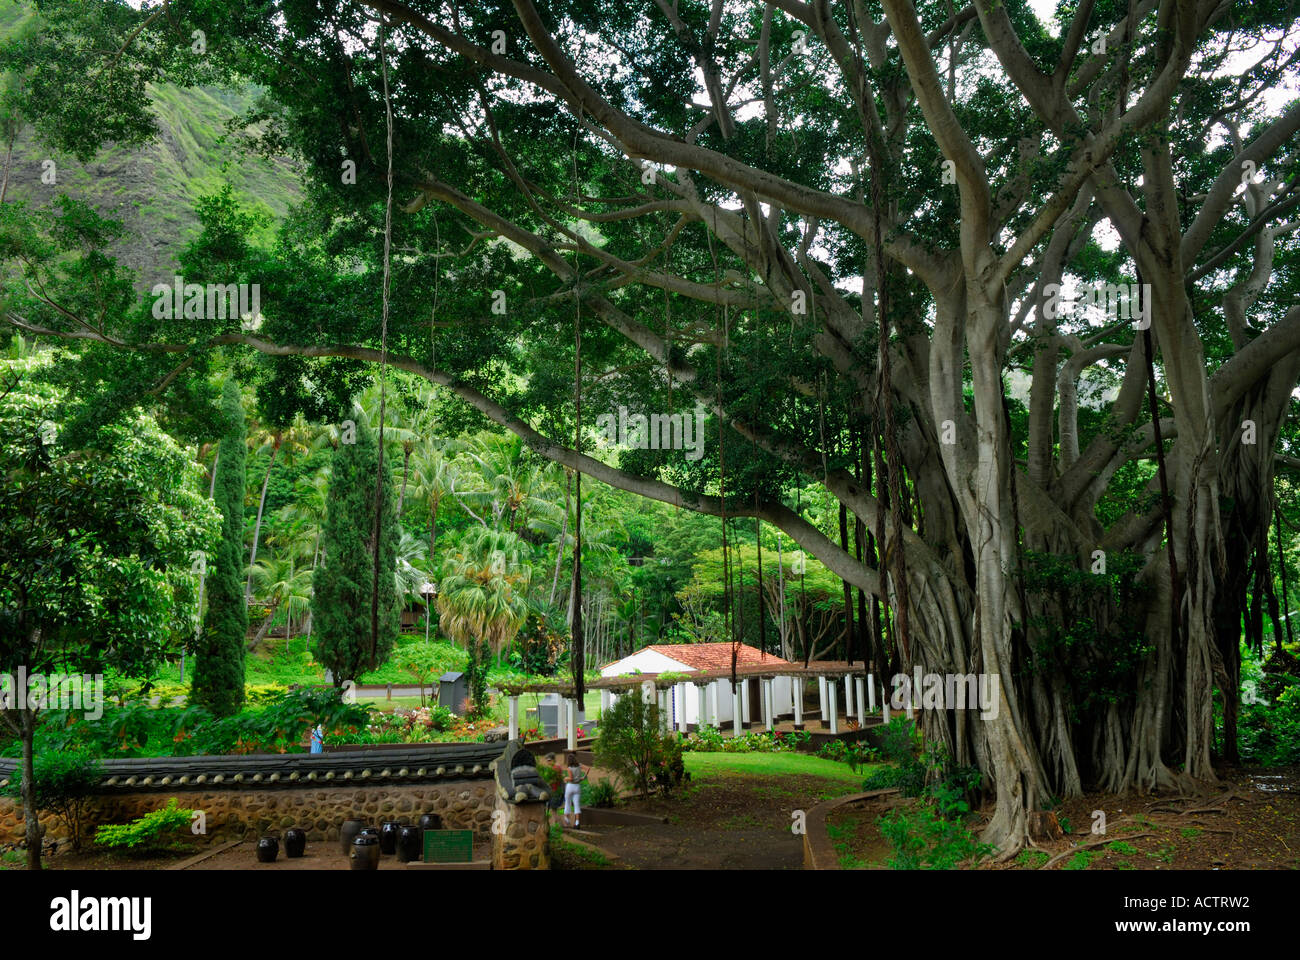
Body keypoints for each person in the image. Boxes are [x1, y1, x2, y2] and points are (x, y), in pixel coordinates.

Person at [561, 751, 586, 829]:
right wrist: (583, 777)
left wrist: (565, 778)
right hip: (577, 786)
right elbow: (588, 768)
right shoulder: (579, 765)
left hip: (570, 786)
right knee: (576, 805)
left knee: (567, 802)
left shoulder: (569, 768)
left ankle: (567, 820)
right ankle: (577, 822)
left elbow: (571, 778)